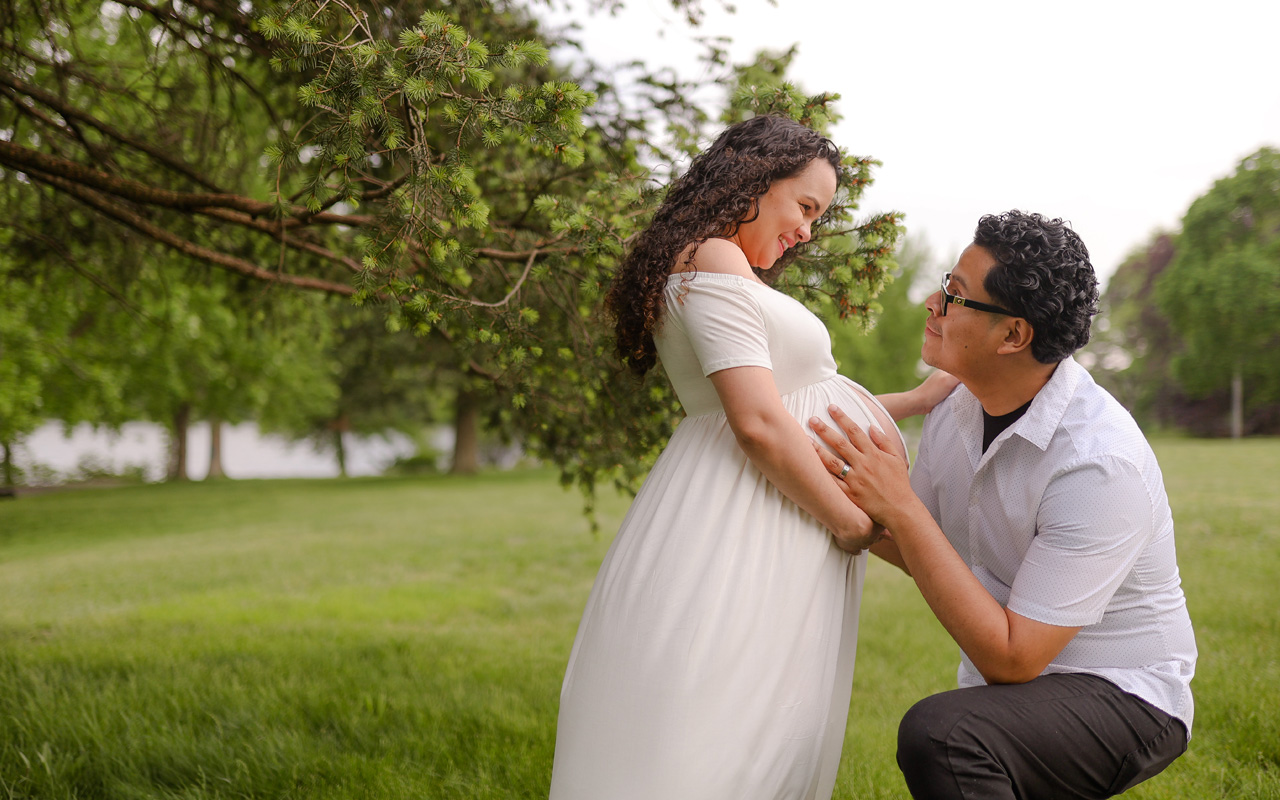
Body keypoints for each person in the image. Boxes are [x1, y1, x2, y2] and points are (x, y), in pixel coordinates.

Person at [548, 115, 954, 800]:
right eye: (805, 207)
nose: (807, 231)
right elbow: (761, 424)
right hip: (749, 511)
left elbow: (790, 403)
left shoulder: (712, 261)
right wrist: (849, 524)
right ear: (753, 180)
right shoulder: (713, 256)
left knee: (745, 715)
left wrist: (910, 402)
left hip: (760, 504)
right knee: (724, 722)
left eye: (818, 217)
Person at [809, 211, 1197, 799]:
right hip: (1031, 681)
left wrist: (899, 509)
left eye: (955, 297)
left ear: (1013, 336)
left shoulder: (1098, 462)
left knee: (945, 737)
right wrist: (865, 502)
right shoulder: (956, 405)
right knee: (957, 733)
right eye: (946, 284)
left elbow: (1013, 660)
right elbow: (919, 544)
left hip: (1126, 693)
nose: (932, 305)